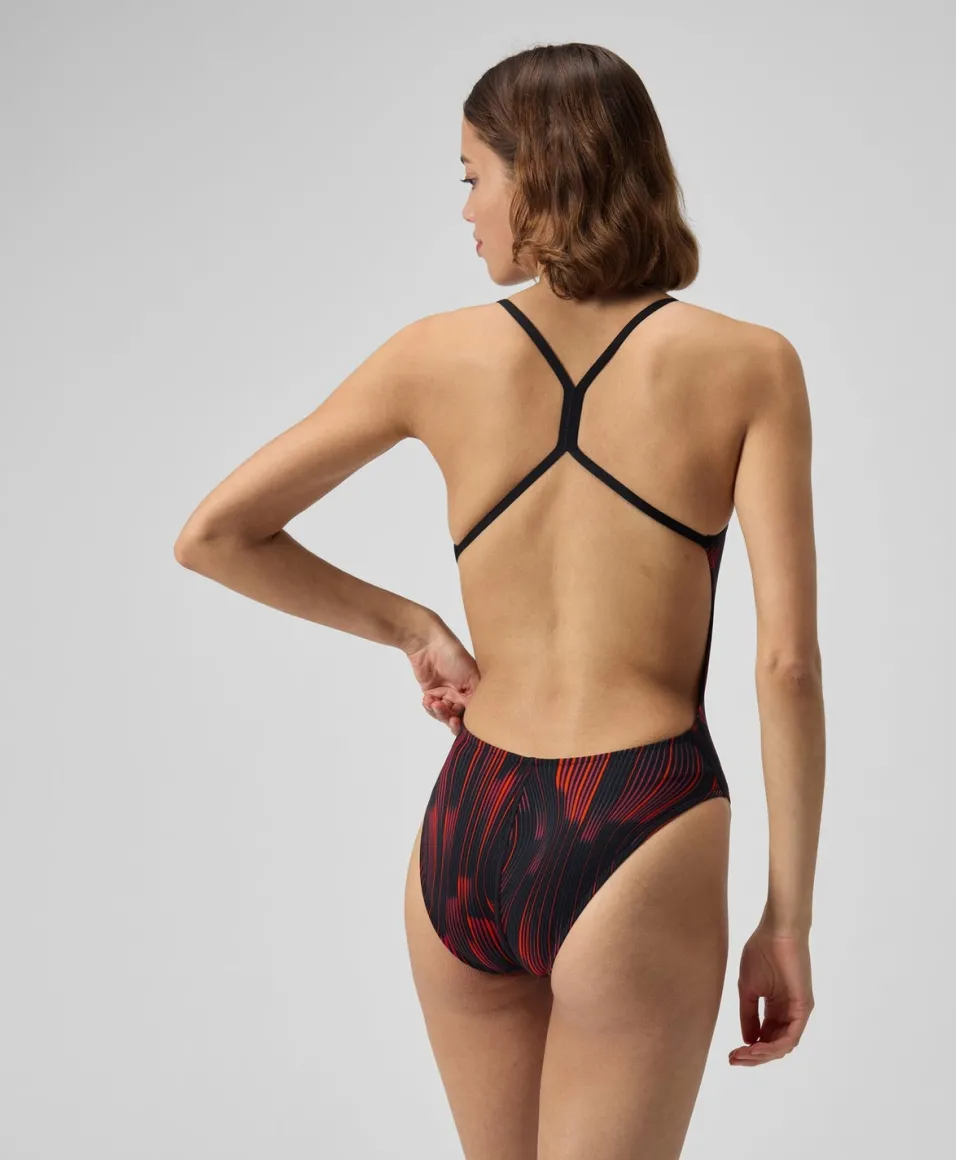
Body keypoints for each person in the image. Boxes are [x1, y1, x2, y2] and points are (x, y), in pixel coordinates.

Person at [174, 40, 825, 1160]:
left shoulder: (433, 357)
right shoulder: (748, 363)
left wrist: (412, 626)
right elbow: (787, 666)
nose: (467, 209)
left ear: (544, 173)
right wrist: (787, 917)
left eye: (475, 175)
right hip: (639, 824)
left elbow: (215, 535)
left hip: (470, 824)